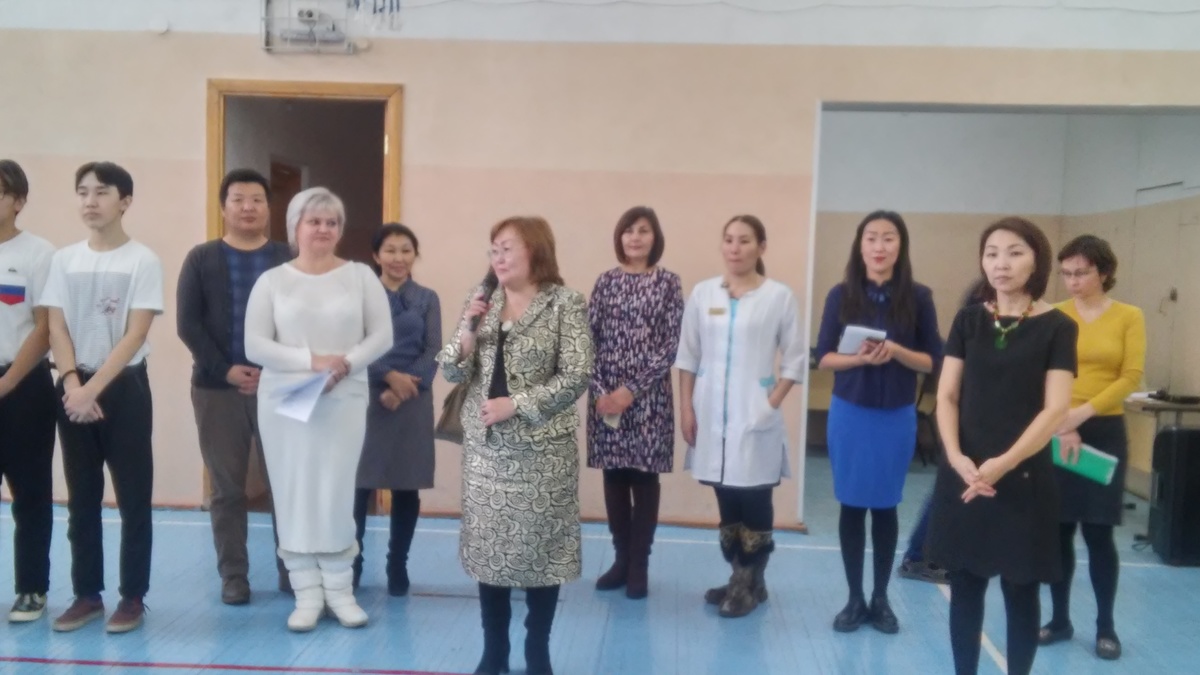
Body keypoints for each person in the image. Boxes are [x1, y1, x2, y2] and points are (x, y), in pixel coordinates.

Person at [437, 216, 594, 675]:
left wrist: (517, 404)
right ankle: (495, 651)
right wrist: (468, 332)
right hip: (486, 455)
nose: (498, 257)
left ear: (535, 250)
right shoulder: (482, 299)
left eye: (507, 248)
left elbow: (577, 374)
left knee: (542, 554)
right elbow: (451, 371)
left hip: (544, 454)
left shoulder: (565, 303)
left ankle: (536, 650)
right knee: (491, 553)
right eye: (494, 250)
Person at [926, 217, 1077, 675]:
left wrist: (1005, 463)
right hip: (967, 473)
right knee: (965, 585)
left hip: (1023, 475)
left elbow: (1055, 408)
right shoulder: (969, 320)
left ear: (1036, 261)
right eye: (991, 253)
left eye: (1014, 252)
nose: (1001, 263)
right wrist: (956, 458)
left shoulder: (1058, 326)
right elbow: (947, 396)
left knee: (1021, 588)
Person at [244, 187, 392, 632]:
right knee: (293, 493)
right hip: (286, 403)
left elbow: (381, 336)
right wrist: (313, 362)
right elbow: (255, 345)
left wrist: (343, 366)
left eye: (331, 222)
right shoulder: (272, 281)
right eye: (314, 221)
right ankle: (306, 595)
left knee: (335, 492)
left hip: (342, 400)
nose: (323, 229)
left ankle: (341, 593)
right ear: (295, 228)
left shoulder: (361, 277)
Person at [42, 162, 164, 634]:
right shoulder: (64, 260)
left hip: (124, 388)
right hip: (74, 387)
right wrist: (73, 384)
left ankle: (132, 596)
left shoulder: (142, 260)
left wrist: (93, 389)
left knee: (133, 497)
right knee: (82, 497)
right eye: (83, 192)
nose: (90, 201)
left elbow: (136, 334)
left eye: (102, 192)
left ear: (125, 201)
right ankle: (87, 594)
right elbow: (56, 326)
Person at [815, 210, 943, 634]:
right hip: (850, 413)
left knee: (886, 506)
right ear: (860, 245)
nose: (879, 246)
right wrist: (858, 359)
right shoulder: (841, 294)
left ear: (900, 246)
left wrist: (897, 352)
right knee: (852, 505)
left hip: (895, 416)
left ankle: (881, 599)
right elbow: (823, 356)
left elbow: (934, 360)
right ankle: (854, 598)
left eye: (889, 238)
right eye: (871, 238)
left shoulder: (919, 297)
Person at [675, 215, 806, 619]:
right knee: (726, 496)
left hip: (755, 415)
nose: (735, 248)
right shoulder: (703, 294)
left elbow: (795, 360)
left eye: (745, 240)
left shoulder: (778, 297)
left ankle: (746, 581)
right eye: (729, 240)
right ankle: (744, 579)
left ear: (761, 247)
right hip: (710, 413)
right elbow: (688, 355)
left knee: (755, 497)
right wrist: (686, 406)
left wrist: (770, 404)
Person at [177, 168, 293, 605]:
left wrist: (276, 369)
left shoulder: (289, 257)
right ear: (223, 207)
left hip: (279, 388)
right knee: (227, 489)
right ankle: (234, 576)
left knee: (286, 484)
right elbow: (188, 324)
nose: (248, 207)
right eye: (238, 199)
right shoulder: (201, 258)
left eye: (257, 199)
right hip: (216, 389)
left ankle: (292, 570)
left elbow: (304, 319)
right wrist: (225, 369)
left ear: (268, 208)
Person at [1039, 235, 1145, 661]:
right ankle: (1060, 619)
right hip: (1057, 427)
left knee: (1099, 532)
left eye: (1081, 273)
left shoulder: (1129, 316)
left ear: (1104, 272)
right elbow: (1045, 372)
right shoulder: (1054, 315)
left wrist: (1081, 416)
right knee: (1058, 529)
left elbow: (1130, 376)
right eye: (1066, 274)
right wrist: (1062, 422)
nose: (1073, 281)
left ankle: (1105, 627)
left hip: (1103, 430)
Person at [588, 206, 684, 600]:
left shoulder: (669, 284)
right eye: (628, 230)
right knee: (614, 476)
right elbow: (587, 340)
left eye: (643, 230)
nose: (635, 237)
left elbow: (670, 345)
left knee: (644, 478)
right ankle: (621, 560)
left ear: (654, 237)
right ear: (619, 237)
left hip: (648, 399)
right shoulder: (605, 282)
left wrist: (630, 390)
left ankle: (640, 565)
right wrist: (602, 391)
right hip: (605, 396)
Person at [352, 223, 441, 596]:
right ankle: (352, 565)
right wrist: (388, 377)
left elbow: (433, 350)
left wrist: (403, 388)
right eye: (390, 250)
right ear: (376, 255)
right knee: (358, 486)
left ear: (415, 255)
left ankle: (397, 564)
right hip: (364, 397)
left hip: (413, 399)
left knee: (407, 486)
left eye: (406, 250)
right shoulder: (359, 295)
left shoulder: (427, 298)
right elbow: (352, 347)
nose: (398, 258)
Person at [898, 278, 989, 586]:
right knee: (949, 491)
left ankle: (934, 554)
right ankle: (917, 556)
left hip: (981, 423)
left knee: (963, 493)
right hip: (966, 423)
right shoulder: (972, 334)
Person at [0, 159, 57, 623]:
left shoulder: (40, 254)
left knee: (31, 492)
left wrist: (7, 381)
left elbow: (44, 328)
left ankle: (32, 589)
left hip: (24, 386)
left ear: (18, 201)